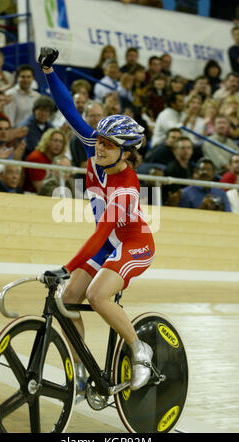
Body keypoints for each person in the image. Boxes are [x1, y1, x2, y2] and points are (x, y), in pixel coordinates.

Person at [38, 46, 155, 392]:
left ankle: (140, 350)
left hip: (135, 245)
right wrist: (48, 72)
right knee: (67, 298)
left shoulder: (127, 187)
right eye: (99, 141)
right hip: (107, 246)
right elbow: (68, 108)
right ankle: (81, 370)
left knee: (97, 295)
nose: (99, 148)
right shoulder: (93, 146)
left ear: (125, 151)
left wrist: (67, 264)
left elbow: (105, 229)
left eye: (109, 144)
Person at [24, 128, 69, 193]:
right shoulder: (36, 158)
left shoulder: (58, 159)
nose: (58, 144)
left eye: (61, 142)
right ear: (47, 141)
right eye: (55, 140)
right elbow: (41, 189)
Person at [163, 136, 195, 205]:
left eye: (188, 148)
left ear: (192, 150)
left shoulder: (192, 167)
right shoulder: (171, 169)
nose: (186, 151)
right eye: (182, 148)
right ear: (176, 150)